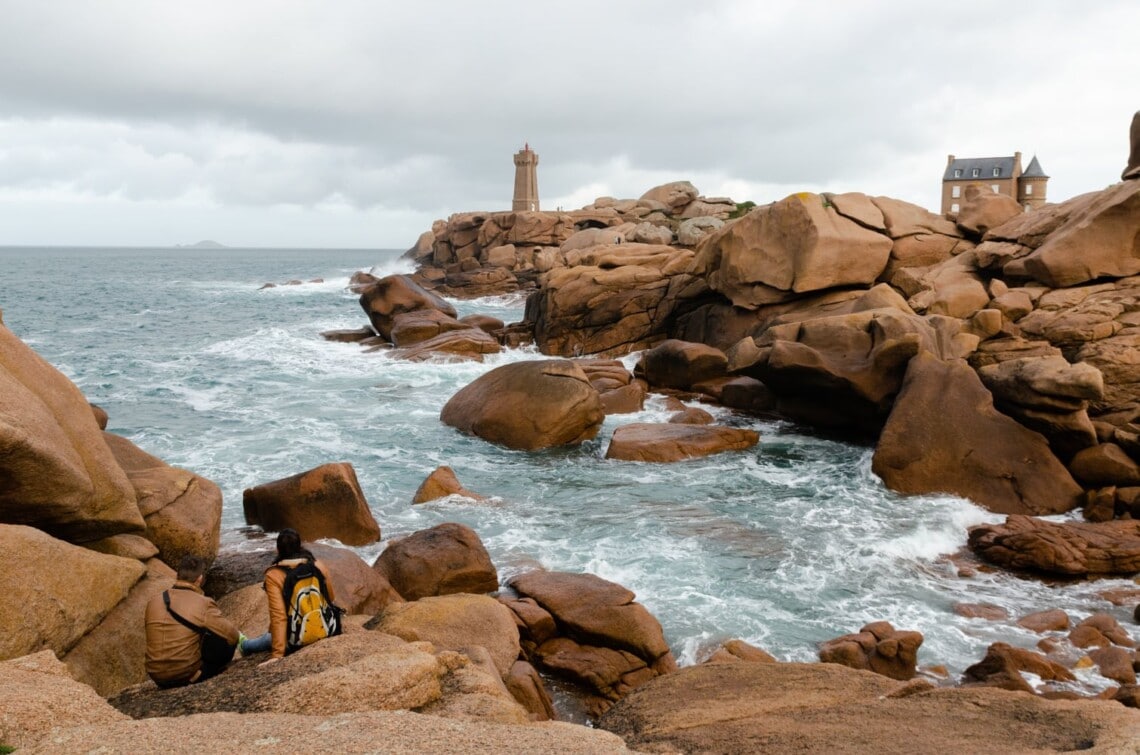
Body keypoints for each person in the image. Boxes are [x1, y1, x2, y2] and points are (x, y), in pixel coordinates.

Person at [240, 528, 339, 663]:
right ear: (300, 546)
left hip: (296, 637)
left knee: (266, 638)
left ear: (278, 549)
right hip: (326, 629)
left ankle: (243, 645)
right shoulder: (318, 565)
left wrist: (277, 655)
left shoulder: (274, 575)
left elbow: (279, 616)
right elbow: (331, 598)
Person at [144, 554, 240, 687]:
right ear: (200, 578)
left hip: (157, 676)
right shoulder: (203, 603)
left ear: (178, 575)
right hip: (184, 675)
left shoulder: (154, 601)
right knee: (221, 639)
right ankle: (197, 675)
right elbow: (232, 636)